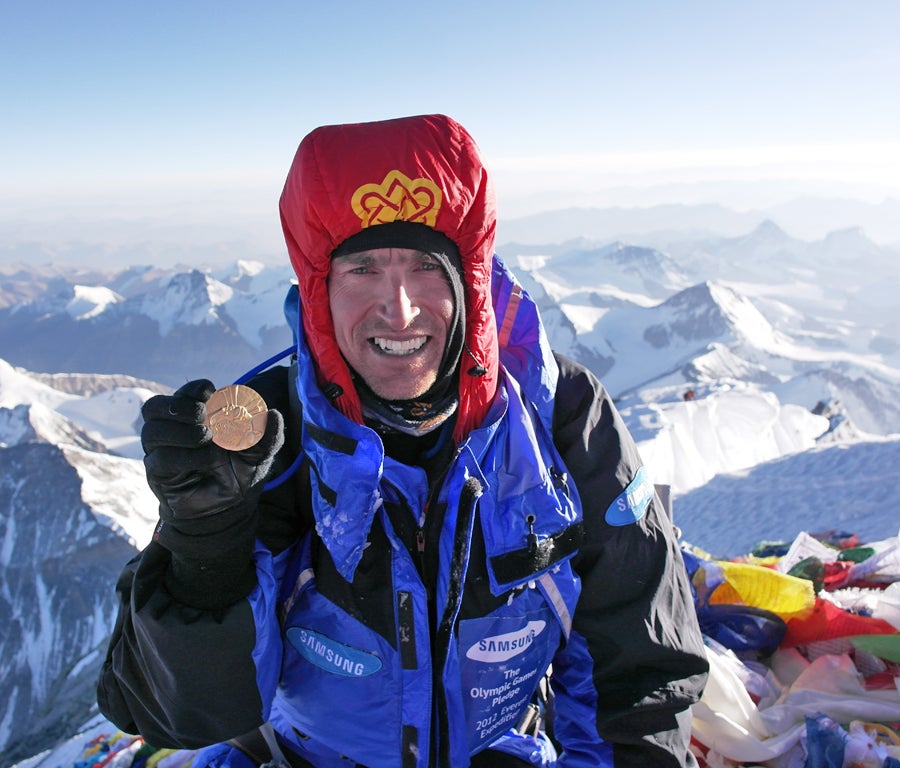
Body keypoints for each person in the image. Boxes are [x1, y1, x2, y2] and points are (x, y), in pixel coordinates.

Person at [97, 114, 709, 767]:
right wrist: (204, 545)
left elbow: (639, 674)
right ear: (318, 291)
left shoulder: (561, 418)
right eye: (361, 268)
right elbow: (178, 713)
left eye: (425, 266)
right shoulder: (267, 440)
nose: (401, 309)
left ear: (469, 280)